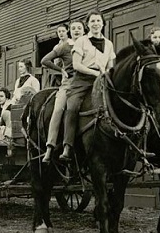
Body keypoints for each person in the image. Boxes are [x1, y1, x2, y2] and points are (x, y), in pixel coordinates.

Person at [59, 8, 116, 162]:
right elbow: (76, 65)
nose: (96, 24)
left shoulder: (109, 43)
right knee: (72, 107)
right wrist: (95, 73)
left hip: (102, 81)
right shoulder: (81, 41)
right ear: (88, 25)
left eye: (98, 20)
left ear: (103, 23)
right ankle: (68, 146)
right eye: (92, 21)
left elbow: (111, 65)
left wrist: (107, 75)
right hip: (82, 81)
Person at [41, 19, 85, 162]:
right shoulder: (65, 46)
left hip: (88, 81)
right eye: (74, 29)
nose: (77, 31)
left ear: (84, 30)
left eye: (79, 28)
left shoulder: (89, 45)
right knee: (59, 109)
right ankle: (50, 146)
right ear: (70, 32)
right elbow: (45, 60)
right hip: (69, 83)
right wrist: (61, 70)